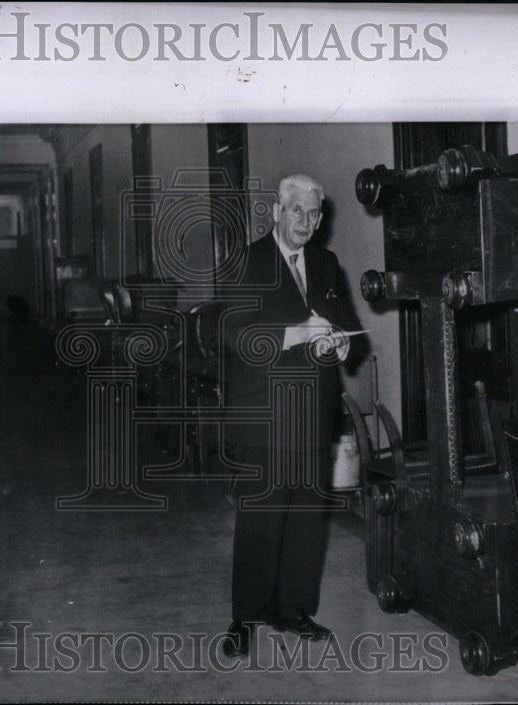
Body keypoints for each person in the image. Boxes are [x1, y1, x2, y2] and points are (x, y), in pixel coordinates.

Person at [220, 173, 362, 658]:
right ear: (278, 212)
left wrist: (340, 342)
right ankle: (245, 617)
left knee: (306, 516)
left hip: (314, 409)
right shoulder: (249, 260)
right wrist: (297, 334)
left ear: (321, 219)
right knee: (260, 518)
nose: (304, 221)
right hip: (263, 413)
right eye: (296, 211)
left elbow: (343, 324)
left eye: (313, 214)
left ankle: (294, 609)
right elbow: (235, 337)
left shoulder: (326, 263)